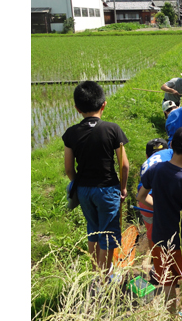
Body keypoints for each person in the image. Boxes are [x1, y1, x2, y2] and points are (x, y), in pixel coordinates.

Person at [62, 81, 130, 277]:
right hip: (107, 189)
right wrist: (123, 188)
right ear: (104, 105)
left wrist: (78, 183)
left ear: (77, 108)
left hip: (84, 190)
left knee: (93, 229)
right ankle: (103, 279)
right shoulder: (112, 129)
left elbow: (69, 168)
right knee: (108, 233)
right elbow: (124, 165)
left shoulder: (71, 133)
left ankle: (94, 274)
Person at [136, 126, 182, 312]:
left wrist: (160, 207)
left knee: (167, 283)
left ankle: (172, 315)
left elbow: (141, 197)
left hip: (159, 241)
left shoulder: (156, 169)